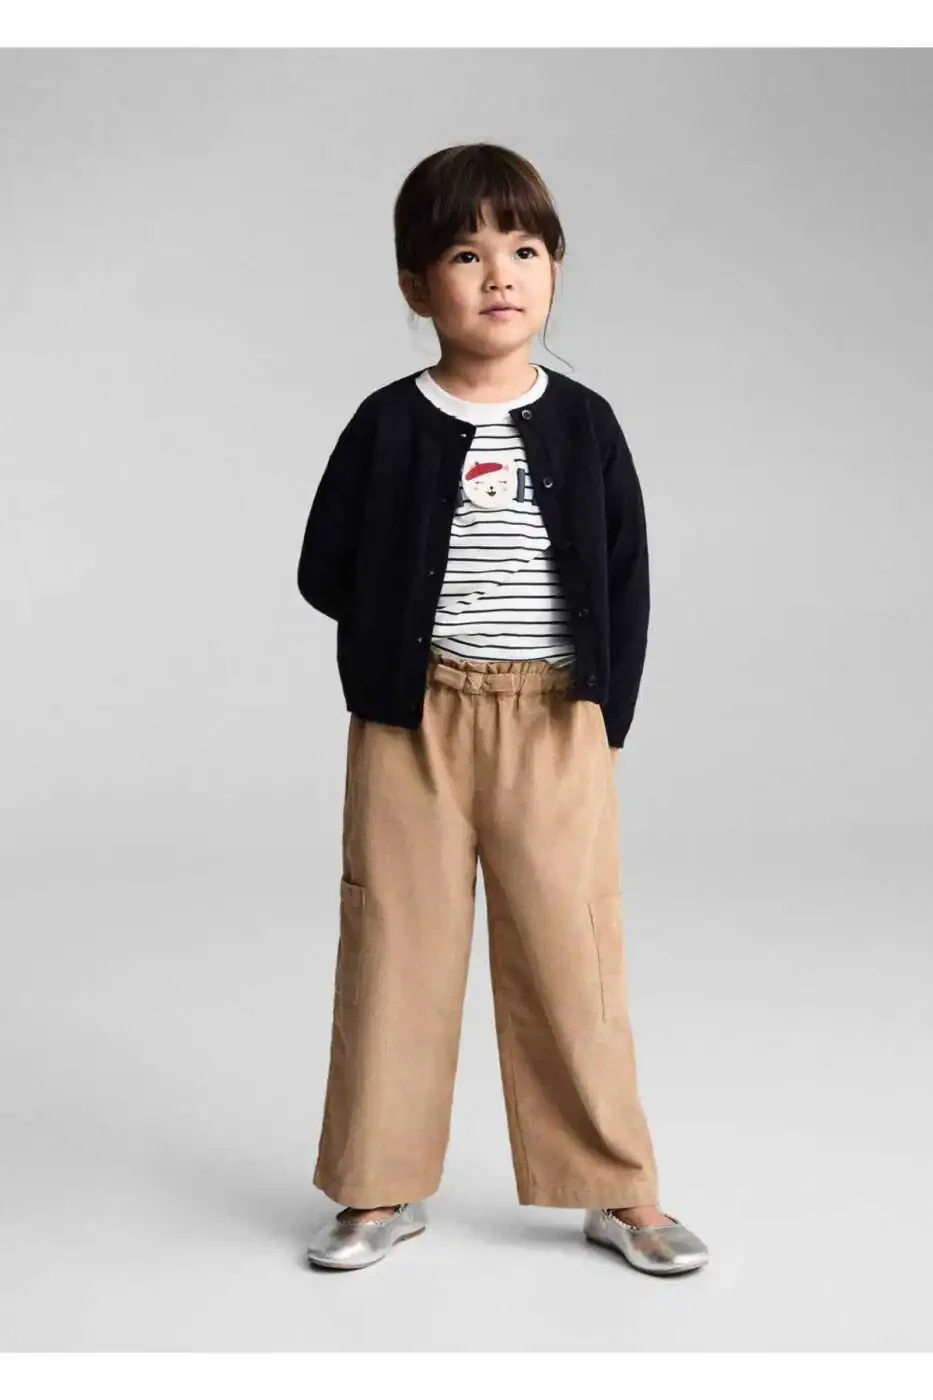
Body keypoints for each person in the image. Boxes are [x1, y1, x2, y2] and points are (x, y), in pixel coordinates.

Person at [298, 143, 709, 1277]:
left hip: (554, 716)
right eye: (465, 254)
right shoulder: (387, 424)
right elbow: (325, 564)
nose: (498, 276)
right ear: (414, 284)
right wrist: (397, 639)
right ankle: (377, 1185)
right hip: (413, 721)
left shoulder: (585, 424)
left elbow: (625, 574)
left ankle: (616, 1187)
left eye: (524, 250)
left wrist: (603, 718)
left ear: (555, 268)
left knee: (574, 951)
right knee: (394, 946)